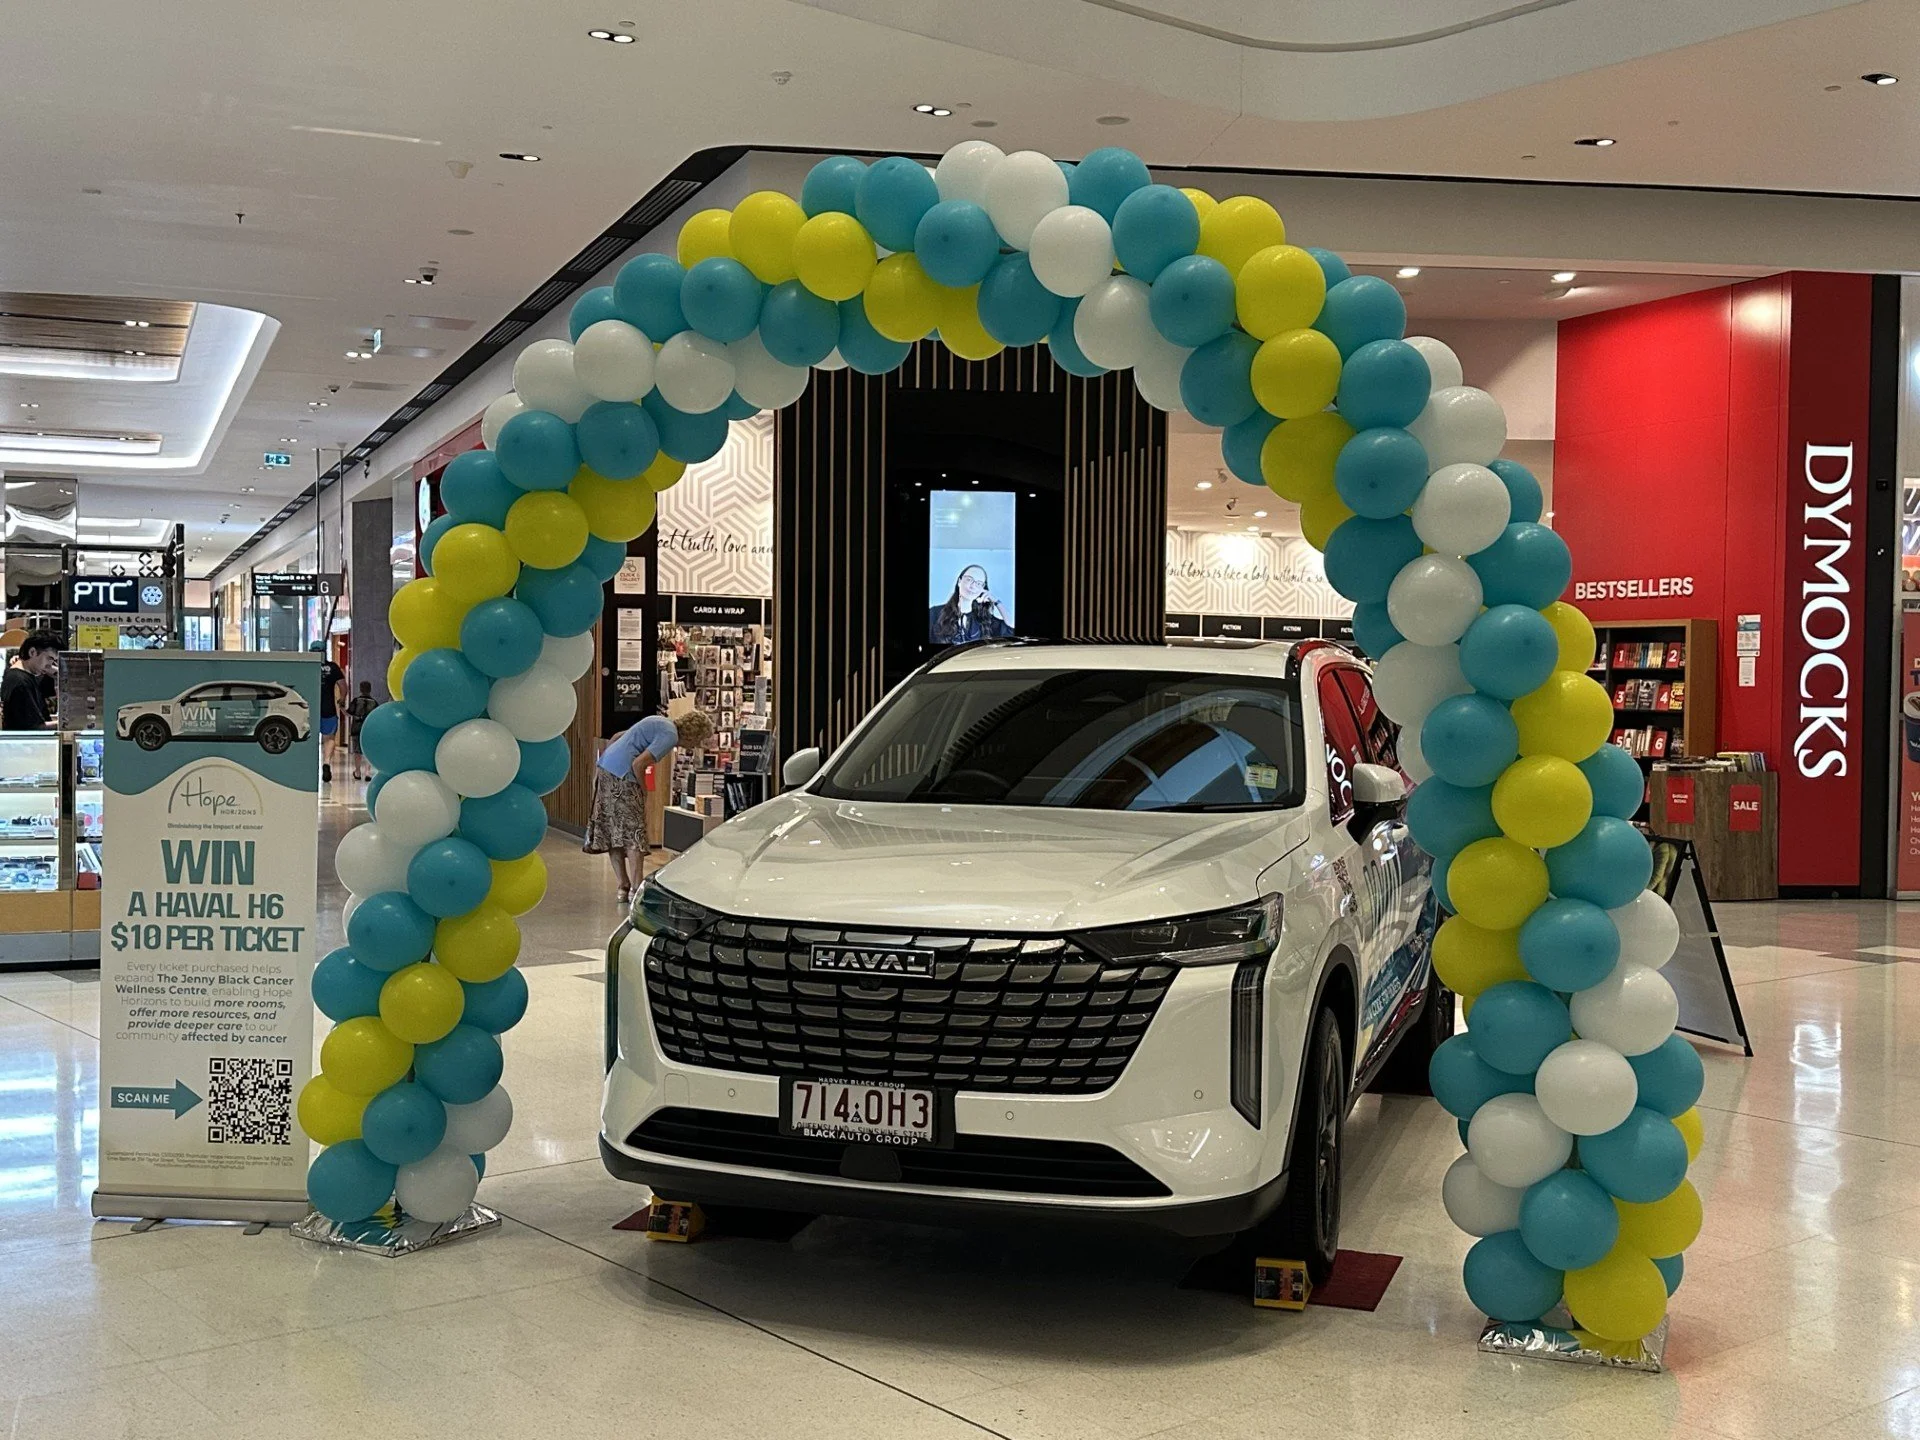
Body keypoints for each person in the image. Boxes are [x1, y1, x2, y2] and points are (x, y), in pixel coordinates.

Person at [585, 710, 712, 903]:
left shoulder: (658, 721)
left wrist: (606, 764)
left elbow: (617, 737)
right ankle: (636, 888)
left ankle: (623, 886)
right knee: (634, 834)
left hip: (605, 769)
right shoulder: (670, 736)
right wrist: (643, 790)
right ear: (693, 734)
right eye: (698, 740)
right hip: (624, 777)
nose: (695, 746)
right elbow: (638, 764)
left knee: (613, 831)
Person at [929, 565, 1013, 645]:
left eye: (979, 583)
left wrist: (996, 601)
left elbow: (1011, 627)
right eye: (969, 579)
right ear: (959, 581)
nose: (973, 586)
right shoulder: (934, 613)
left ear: (982, 589)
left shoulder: (986, 620)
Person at [1, 634, 57, 730]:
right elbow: (34, 727)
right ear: (32, 652)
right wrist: (66, 724)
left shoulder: (23, 677)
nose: (50, 665)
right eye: (49, 658)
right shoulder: (20, 682)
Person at [312, 642, 346, 781]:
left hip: (309, 708)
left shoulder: (307, 666)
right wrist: (342, 699)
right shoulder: (333, 667)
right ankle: (326, 762)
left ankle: (310, 765)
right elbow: (343, 686)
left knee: (308, 738)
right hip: (328, 707)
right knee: (329, 737)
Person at [345, 680, 379, 781]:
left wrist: (341, 707)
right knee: (368, 751)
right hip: (369, 729)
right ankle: (367, 772)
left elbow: (348, 713)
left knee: (357, 751)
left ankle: (358, 772)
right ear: (370, 689)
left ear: (360, 689)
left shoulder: (356, 701)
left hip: (356, 729)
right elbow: (376, 717)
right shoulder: (374, 703)